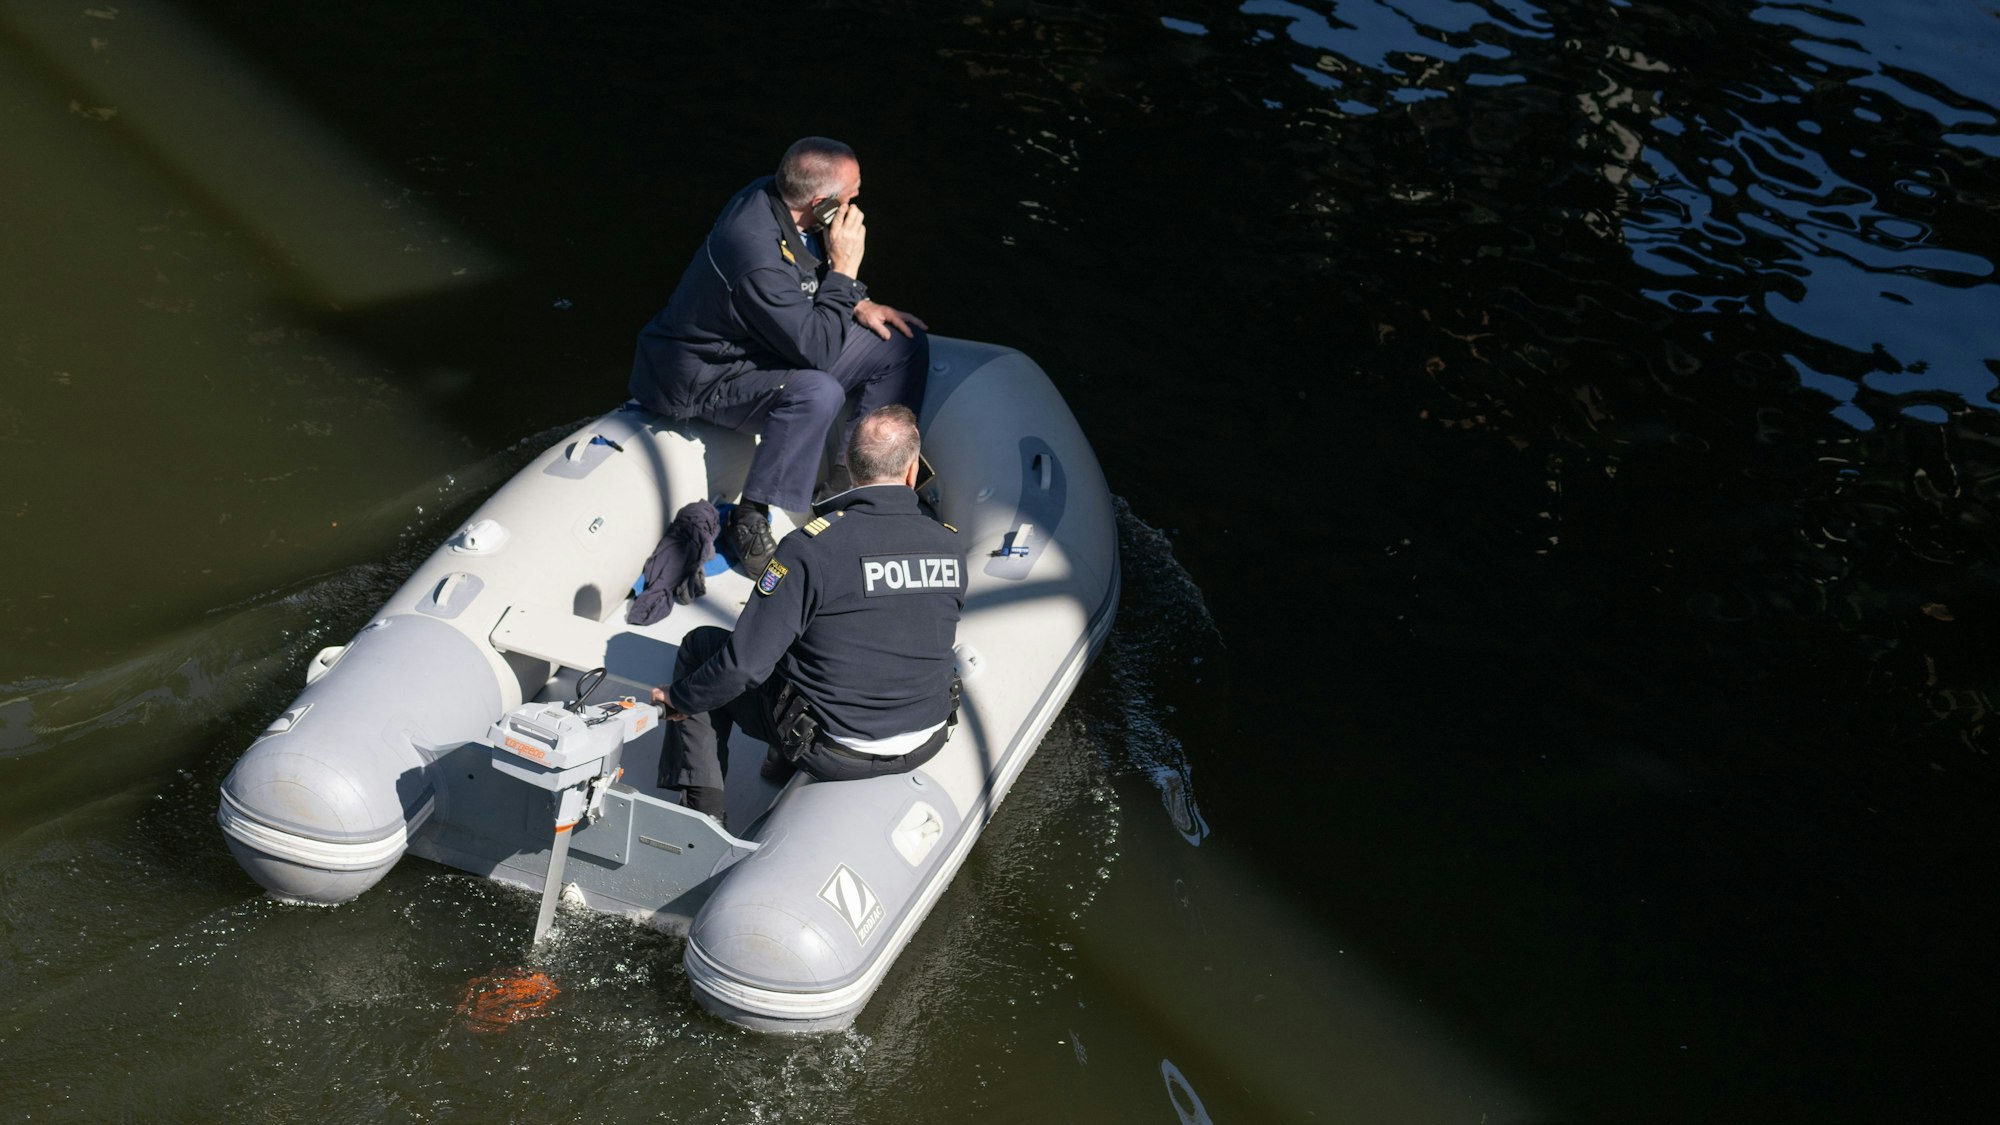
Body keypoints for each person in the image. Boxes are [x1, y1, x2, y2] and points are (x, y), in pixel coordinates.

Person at [628, 137, 929, 577]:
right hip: (706, 375)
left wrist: (859, 300)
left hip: (763, 343)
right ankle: (750, 517)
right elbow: (818, 351)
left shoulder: (777, 196)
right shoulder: (755, 255)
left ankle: (846, 487)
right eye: (851, 195)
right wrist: (846, 270)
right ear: (822, 205)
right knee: (818, 390)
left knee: (900, 342)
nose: (857, 202)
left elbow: (805, 270)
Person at [650, 405, 963, 826]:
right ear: (912, 470)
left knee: (704, 649)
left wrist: (680, 697)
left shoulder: (811, 548)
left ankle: (700, 820)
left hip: (836, 752)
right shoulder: (948, 545)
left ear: (849, 464)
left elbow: (742, 666)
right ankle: (776, 765)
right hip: (928, 737)